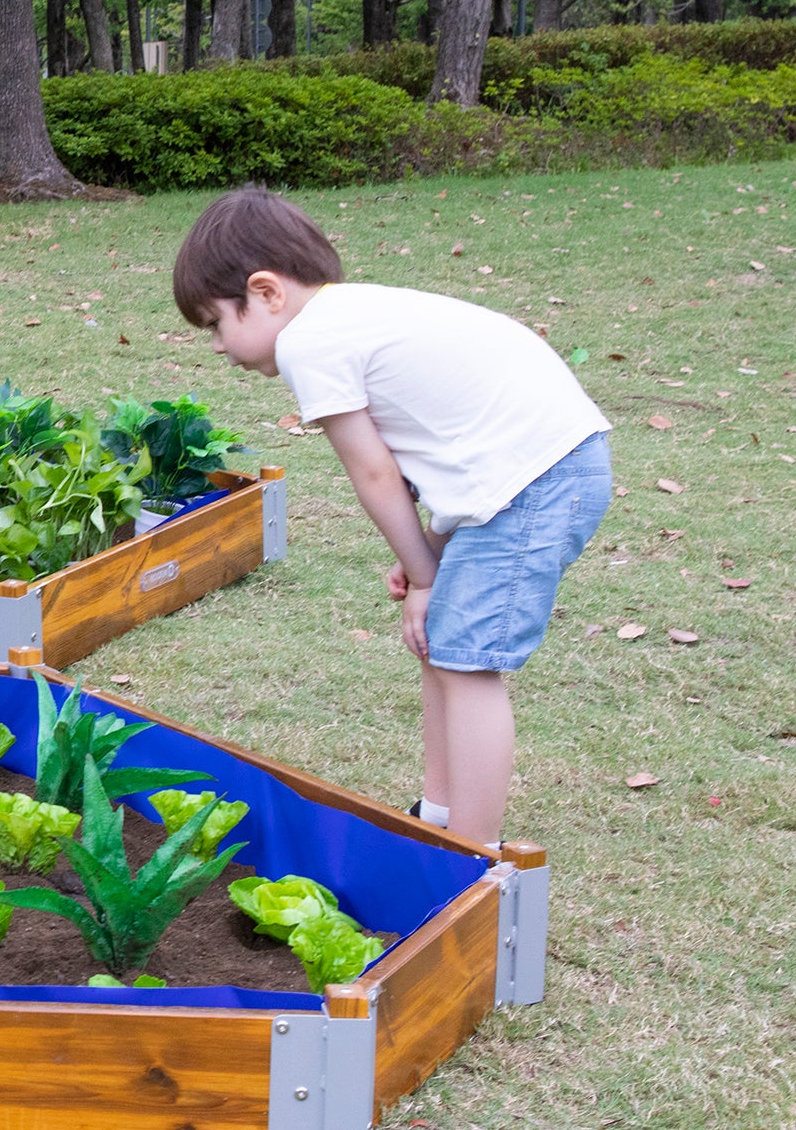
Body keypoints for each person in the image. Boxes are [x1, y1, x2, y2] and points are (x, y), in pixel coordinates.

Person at [172, 186, 611, 848]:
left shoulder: (308, 341)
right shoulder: (348, 315)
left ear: (264, 292)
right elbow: (447, 453)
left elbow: (373, 472)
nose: (216, 345)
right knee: (443, 639)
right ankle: (436, 818)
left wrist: (423, 571)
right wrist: (428, 556)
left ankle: (471, 860)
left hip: (535, 479)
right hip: (533, 468)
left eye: (214, 322)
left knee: (465, 662)